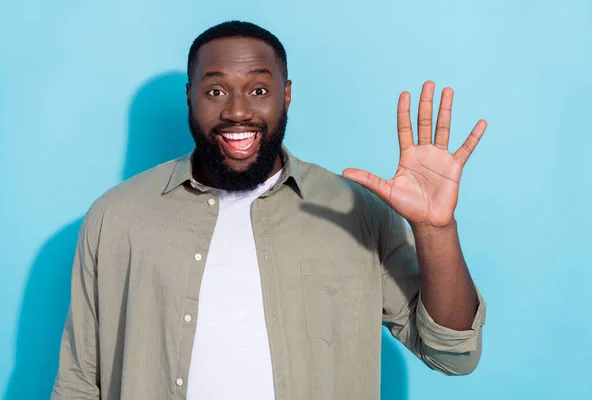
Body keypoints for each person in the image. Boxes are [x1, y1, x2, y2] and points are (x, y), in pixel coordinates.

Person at [51, 20, 487, 400]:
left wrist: (436, 228)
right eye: (215, 90)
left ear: (287, 94)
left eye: (259, 89)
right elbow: (78, 384)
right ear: (190, 96)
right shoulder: (115, 217)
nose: (237, 110)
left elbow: (451, 354)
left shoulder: (356, 211)